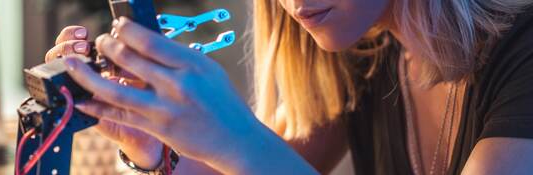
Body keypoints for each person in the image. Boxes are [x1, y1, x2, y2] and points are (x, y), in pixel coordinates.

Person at [44, 0, 533, 174]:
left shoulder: (525, 54)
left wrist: (236, 137)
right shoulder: (367, 50)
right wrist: (148, 145)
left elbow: (258, 162)